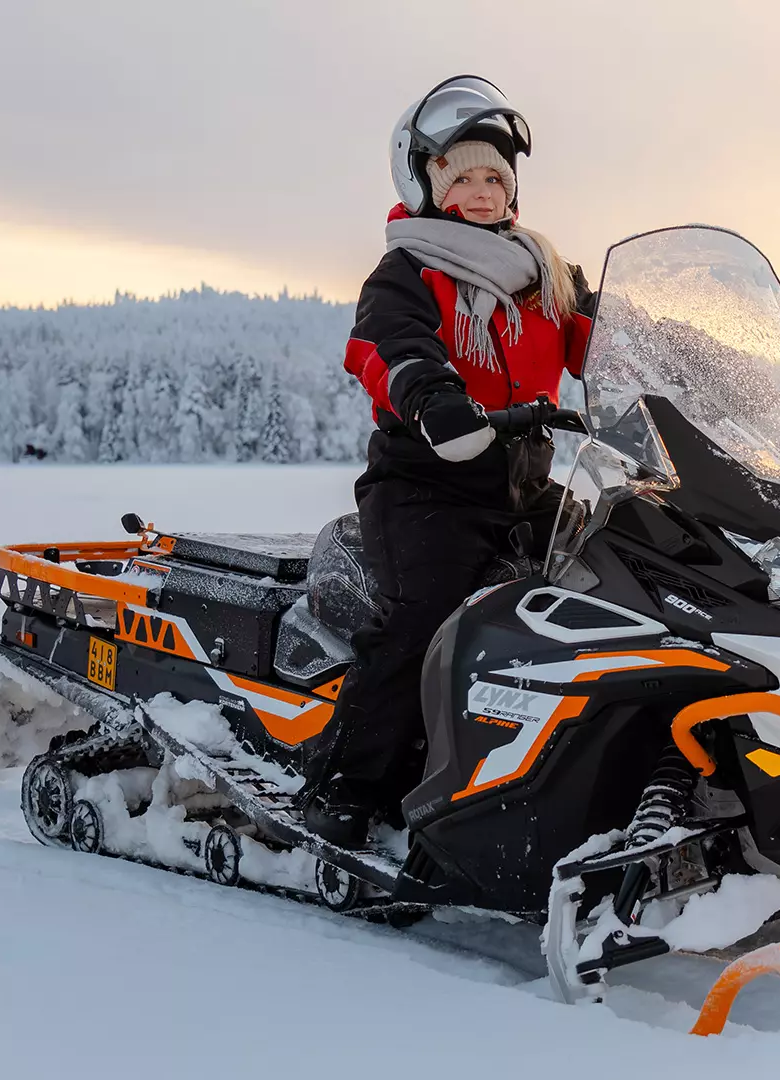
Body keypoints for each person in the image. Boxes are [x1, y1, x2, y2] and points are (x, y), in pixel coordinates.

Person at [303, 75, 594, 848]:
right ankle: (347, 785)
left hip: (524, 484)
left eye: (494, 176)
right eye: (460, 175)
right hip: (427, 482)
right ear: (426, 184)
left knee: (622, 569)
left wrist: (684, 369)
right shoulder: (405, 272)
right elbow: (386, 346)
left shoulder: (548, 276)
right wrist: (431, 397)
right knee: (423, 617)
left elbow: (611, 342)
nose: (480, 190)